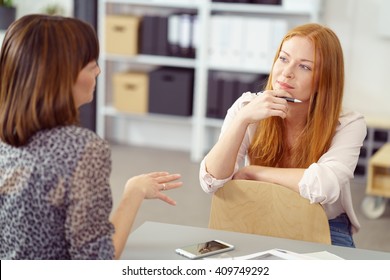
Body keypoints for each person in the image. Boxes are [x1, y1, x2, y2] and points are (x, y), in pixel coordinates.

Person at [0, 14, 182, 260]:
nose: (98, 70)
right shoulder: (83, 149)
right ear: (60, 79)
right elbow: (97, 262)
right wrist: (134, 191)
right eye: (90, 64)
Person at [199, 23, 366, 247]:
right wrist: (241, 120)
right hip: (259, 213)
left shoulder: (348, 124)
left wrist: (253, 172)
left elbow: (323, 186)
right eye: (284, 59)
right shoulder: (248, 106)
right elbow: (211, 181)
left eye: (304, 67)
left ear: (325, 78)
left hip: (323, 222)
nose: (287, 72)